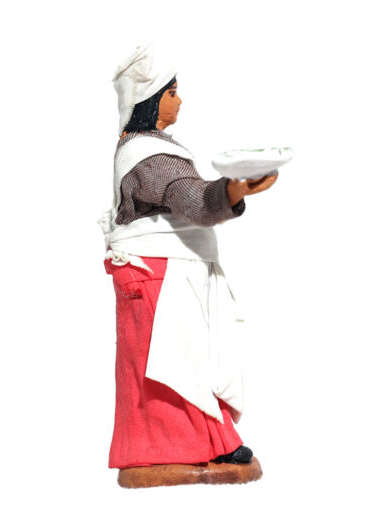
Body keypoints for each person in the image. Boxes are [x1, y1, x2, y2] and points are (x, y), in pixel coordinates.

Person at [99, 44, 277, 470]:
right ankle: (200, 445)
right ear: (150, 100)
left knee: (169, 360)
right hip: (156, 275)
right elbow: (193, 202)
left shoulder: (148, 147)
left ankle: (187, 444)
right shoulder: (151, 155)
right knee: (175, 360)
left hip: (154, 272)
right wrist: (232, 190)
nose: (180, 101)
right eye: (172, 92)